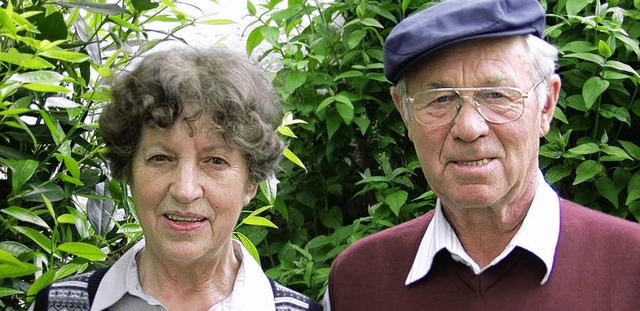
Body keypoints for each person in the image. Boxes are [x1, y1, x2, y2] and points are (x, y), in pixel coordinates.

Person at [325, 0, 640, 310]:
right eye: (440, 99)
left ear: (546, 106)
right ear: (405, 114)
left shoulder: (631, 267)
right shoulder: (359, 282)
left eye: (496, 95)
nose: (469, 127)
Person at [32, 48, 322, 311]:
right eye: (161, 158)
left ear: (251, 183)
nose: (185, 191)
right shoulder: (56, 306)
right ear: (128, 170)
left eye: (215, 161)